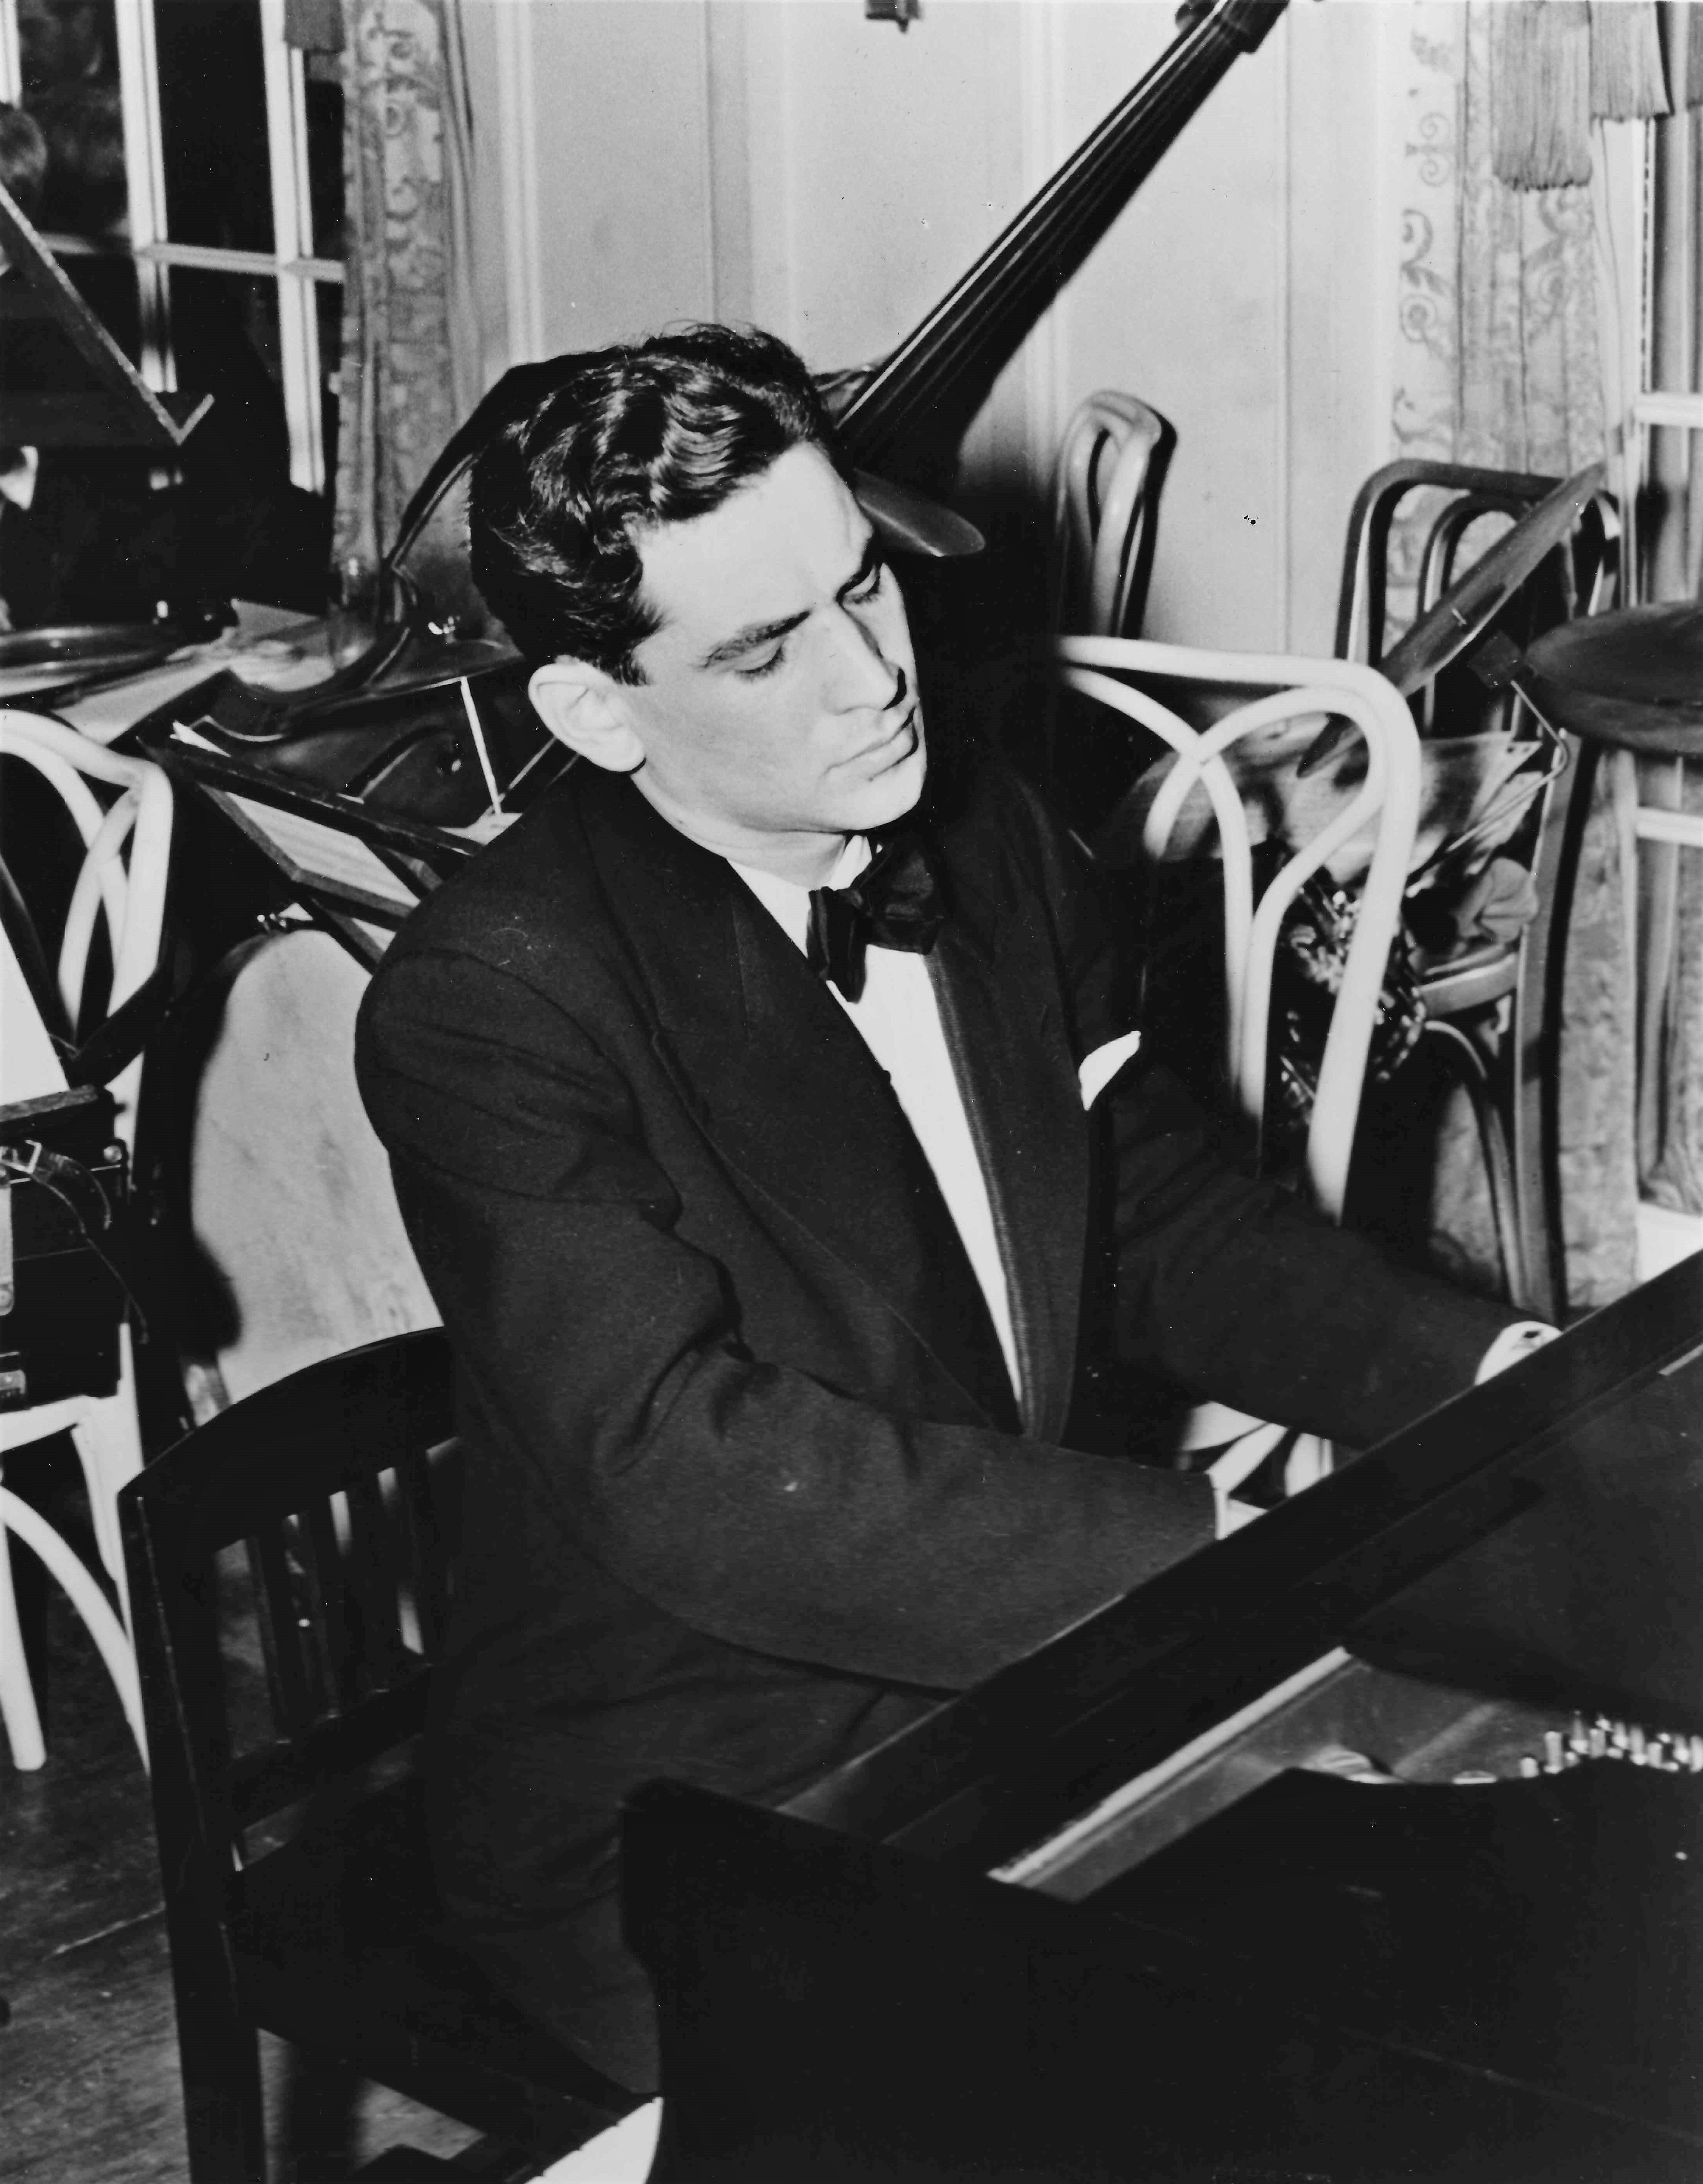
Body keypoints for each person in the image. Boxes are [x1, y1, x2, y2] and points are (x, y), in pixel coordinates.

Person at [354, 323, 1542, 2096]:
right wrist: (1211, 1561)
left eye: (865, 590)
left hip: (1011, 1697)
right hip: (695, 1794)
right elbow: (692, 1470)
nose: (870, 679)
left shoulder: (978, 832)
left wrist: (1497, 1374)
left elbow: (1154, 1221)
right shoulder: (494, 999)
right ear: (597, 711)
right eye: (767, 648)